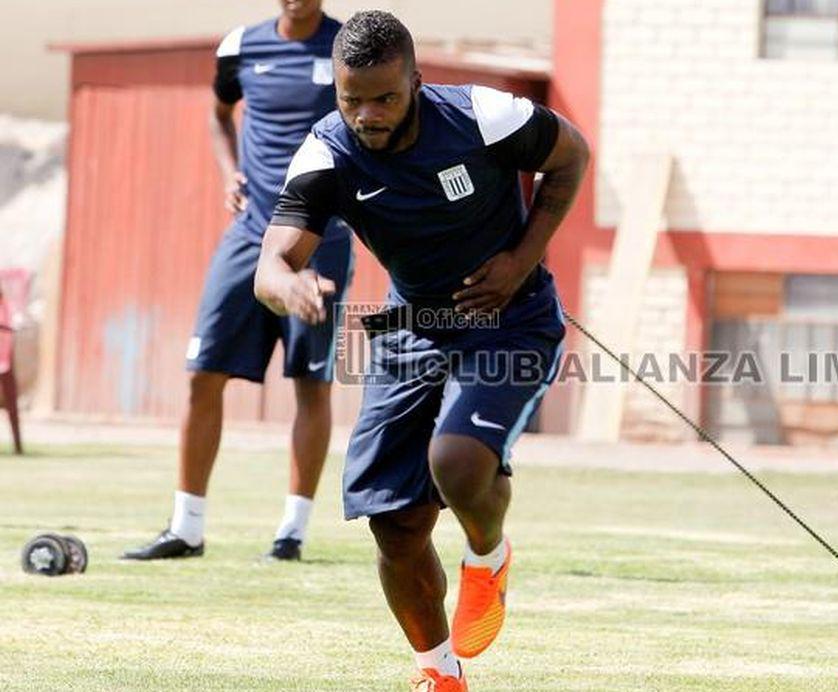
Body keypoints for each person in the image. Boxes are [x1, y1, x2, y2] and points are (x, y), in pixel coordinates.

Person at [253, 11, 589, 690]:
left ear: (415, 80)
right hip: (411, 331)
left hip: (510, 320)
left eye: (385, 97)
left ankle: (487, 558)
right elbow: (271, 266)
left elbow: (571, 155)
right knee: (394, 523)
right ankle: (439, 675)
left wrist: (521, 261)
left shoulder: (482, 117)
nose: (368, 115)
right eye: (352, 100)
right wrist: (292, 289)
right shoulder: (327, 155)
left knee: (456, 464)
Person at [123, 0, 353, 562]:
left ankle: (291, 534)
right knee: (203, 373)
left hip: (318, 239)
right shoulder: (239, 47)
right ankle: (187, 528)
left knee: (310, 383)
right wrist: (230, 173)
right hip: (249, 235)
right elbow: (218, 113)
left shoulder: (349, 46)